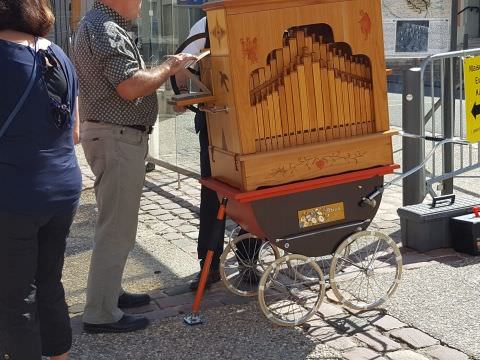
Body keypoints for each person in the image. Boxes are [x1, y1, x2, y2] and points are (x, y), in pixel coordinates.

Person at [73, 0, 196, 334]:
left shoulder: (101, 23)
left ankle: (110, 293)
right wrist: (170, 67)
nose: (142, 2)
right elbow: (129, 87)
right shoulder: (104, 27)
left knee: (115, 223)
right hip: (116, 139)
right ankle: (100, 313)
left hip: (115, 137)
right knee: (116, 228)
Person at [0, 0, 82, 359]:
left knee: (15, 297)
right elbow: (75, 132)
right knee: (49, 282)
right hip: (63, 187)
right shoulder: (59, 54)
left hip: (14, 194)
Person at [175, 17, 263, 291]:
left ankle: (248, 260)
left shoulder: (263, 19)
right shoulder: (206, 25)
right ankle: (209, 266)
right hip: (216, 124)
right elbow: (182, 68)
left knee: (254, 191)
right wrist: (191, 96)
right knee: (214, 194)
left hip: (256, 120)